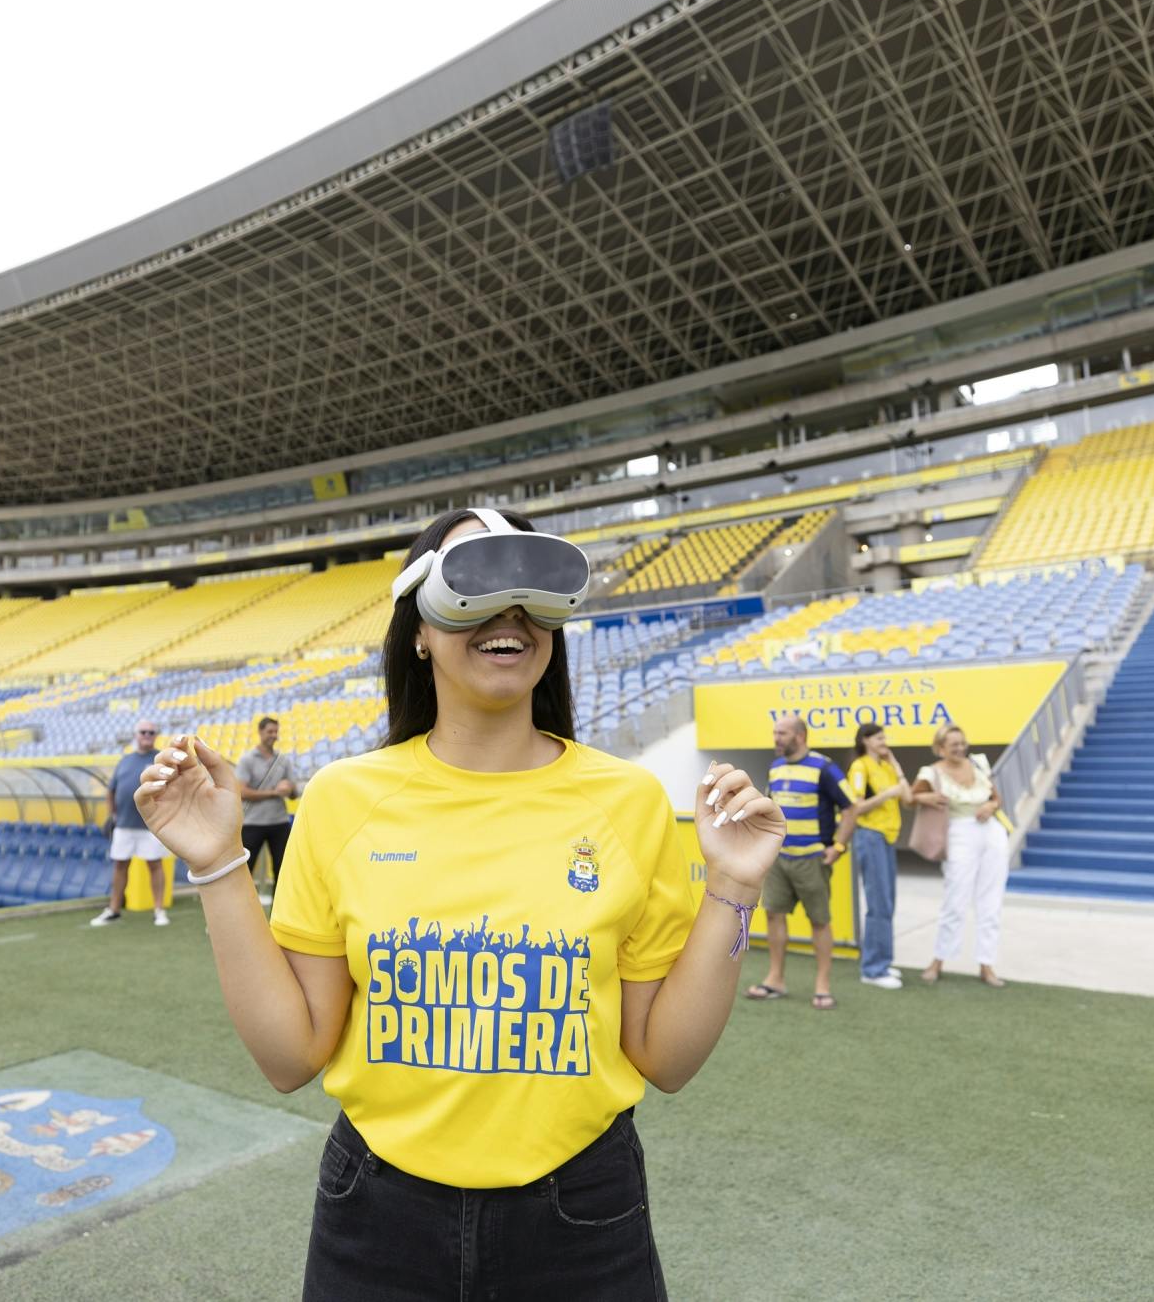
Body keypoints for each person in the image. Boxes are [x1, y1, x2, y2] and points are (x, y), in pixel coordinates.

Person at [133, 507, 784, 1300]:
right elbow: (289, 1055)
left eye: (532, 589)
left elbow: (666, 1058)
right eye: (475, 579)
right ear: (419, 626)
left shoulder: (628, 801)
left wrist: (734, 887)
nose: (510, 612)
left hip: (581, 1214)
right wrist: (217, 865)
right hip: (378, 1216)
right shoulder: (344, 799)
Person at [749, 715, 896, 1010]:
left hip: (812, 860)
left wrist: (839, 846)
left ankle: (822, 986)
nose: (776, 738)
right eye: (775, 733)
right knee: (775, 915)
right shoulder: (776, 767)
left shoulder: (824, 768)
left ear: (800, 736)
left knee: (819, 921)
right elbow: (770, 805)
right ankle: (775, 979)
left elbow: (851, 808)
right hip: (780, 858)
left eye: (783, 733)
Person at [909, 724, 1009, 987]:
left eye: (962, 743)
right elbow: (910, 798)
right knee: (955, 898)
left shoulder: (978, 765)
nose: (960, 748)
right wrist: (929, 797)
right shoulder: (931, 772)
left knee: (991, 901)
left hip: (991, 832)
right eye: (953, 744)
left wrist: (990, 806)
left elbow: (997, 798)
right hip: (958, 831)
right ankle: (939, 960)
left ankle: (987, 965)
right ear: (940, 747)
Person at [838, 724, 912, 989]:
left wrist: (897, 766)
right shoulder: (860, 767)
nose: (884, 741)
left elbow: (909, 796)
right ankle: (873, 968)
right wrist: (886, 795)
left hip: (888, 837)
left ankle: (882, 960)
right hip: (870, 836)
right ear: (866, 740)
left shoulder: (886, 766)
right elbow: (855, 807)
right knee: (878, 902)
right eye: (879, 737)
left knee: (887, 902)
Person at [92, 721, 171, 928]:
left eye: (151, 732)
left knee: (155, 865)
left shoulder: (160, 759)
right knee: (119, 865)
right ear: (136, 734)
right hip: (124, 825)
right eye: (143, 732)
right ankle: (114, 909)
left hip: (150, 826)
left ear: (156, 735)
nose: (147, 735)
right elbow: (111, 790)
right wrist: (113, 816)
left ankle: (159, 910)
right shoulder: (125, 760)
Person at [234, 715, 301, 907]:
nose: (273, 735)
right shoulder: (247, 759)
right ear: (260, 732)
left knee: (283, 870)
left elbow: (294, 793)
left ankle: (280, 914)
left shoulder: (283, 760)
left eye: (275, 731)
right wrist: (274, 792)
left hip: (279, 822)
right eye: (269, 731)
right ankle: (240, 910)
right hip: (252, 823)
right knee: (245, 870)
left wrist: (289, 789)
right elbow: (242, 792)